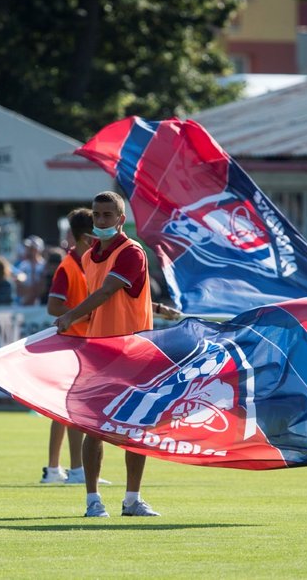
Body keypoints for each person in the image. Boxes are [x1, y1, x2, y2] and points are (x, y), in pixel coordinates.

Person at [53, 191, 181, 518]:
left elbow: (109, 290)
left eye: (108, 215)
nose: (101, 220)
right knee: (94, 428)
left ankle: (132, 499)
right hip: (100, 350)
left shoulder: (131, 251)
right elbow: (108, 296)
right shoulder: (88, 255)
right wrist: (153, 306)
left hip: (133, 351)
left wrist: (70, 316)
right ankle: (93, 501)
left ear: (121, 219)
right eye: (97, 215)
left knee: (135, 427)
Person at [42, 208, 92, 485]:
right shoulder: (68, 266)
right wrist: (86, 314)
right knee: (73, 409)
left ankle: (53, 470)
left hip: (84, 342)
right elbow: (54, 306)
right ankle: (75, 470)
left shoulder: (85, 264)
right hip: (72, 343)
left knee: (63, 409)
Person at [13, 235, 47, 306]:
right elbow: (18, 288)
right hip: (24, 303)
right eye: (29, 248)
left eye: (33, 248)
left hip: (41, 304)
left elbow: (42, 288)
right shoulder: (23, 265)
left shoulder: (44, 265)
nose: (30, 251)